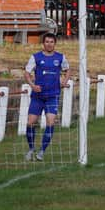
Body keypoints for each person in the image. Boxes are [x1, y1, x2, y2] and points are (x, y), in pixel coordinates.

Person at [24, 33, 70, 161]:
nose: (49, 44)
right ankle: (31, 149)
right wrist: (32, 85)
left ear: (55, 44)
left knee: (50, 122)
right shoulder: (35, 57)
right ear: (43, 44)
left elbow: (68, 70)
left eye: (51, 42)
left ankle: (42, 152)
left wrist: (64, 81)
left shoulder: (60, 57)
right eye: (47, 42)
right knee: (30, 122)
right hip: (37, 96)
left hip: (52, 96)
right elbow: (27, 73)